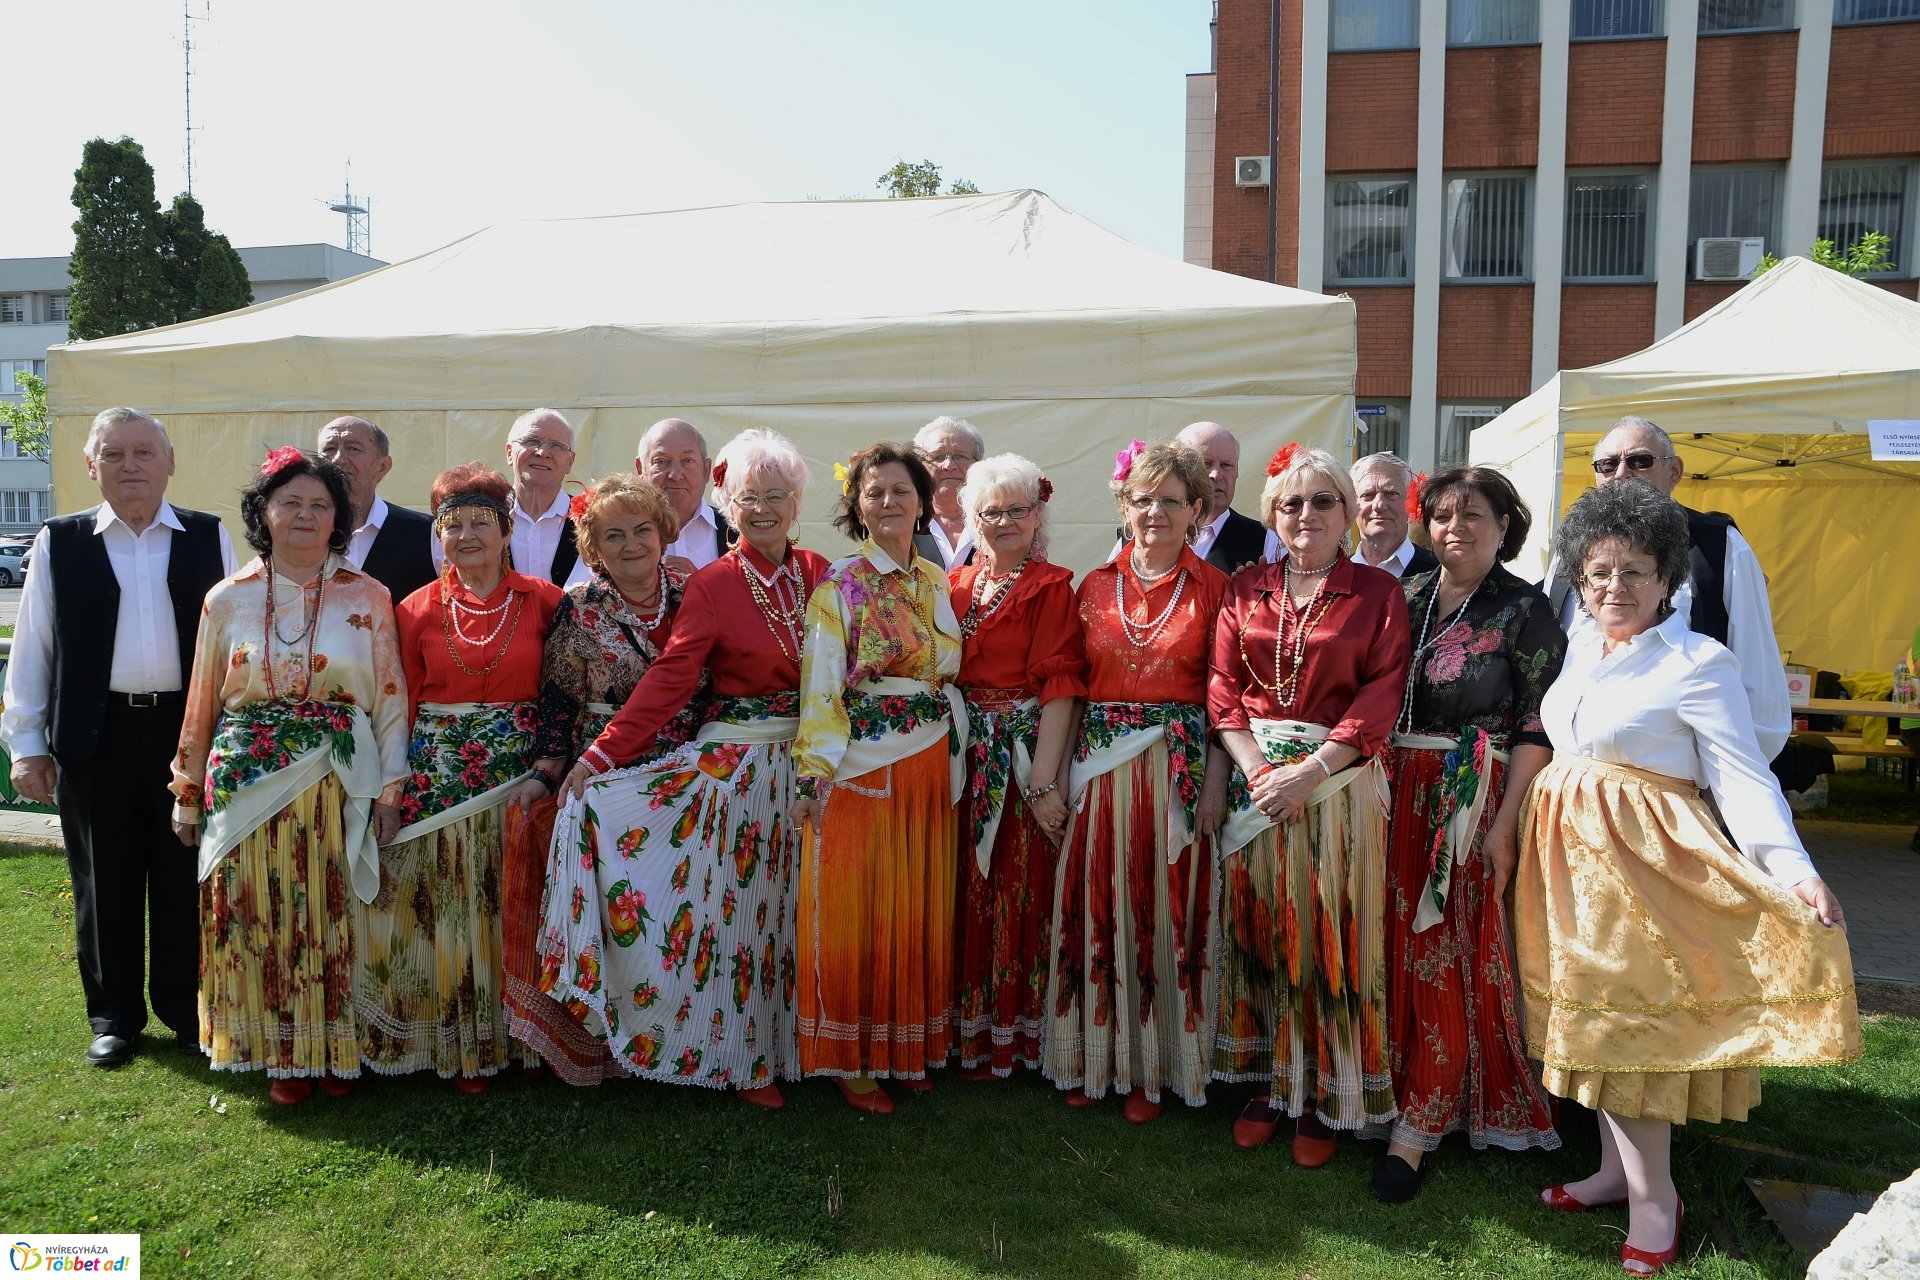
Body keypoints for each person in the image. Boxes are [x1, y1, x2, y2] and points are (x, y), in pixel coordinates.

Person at [1518, 479, 1858, 1276]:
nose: (1614, 587)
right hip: (1566, 869)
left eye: (1634, 571)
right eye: (1598, 572)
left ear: (1669, 577)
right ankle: (1614, 1174)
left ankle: (1655, 1203)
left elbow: (1743, 777)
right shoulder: (1583, 646)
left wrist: (1794, 869)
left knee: (1630, 1032)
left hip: (1645, 873)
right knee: (1591, 1028)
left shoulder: (1700, 661)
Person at [546, 430, 826, 1107]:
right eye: (748, 498)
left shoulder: (821, 573)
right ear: (727, 505)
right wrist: (599, 755)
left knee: (797, 913)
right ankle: (741, 1060)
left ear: (797, 503)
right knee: (740, 917)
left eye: (776, 496)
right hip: (741, 766)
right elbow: (672, 677)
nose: (763, 509)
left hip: (813, 763)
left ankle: (806, 1048)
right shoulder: (713, 583)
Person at [168, 448, 409, 1104]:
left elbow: (390, 698)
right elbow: (202, 700)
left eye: (320, 504)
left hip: (336, 780)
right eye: (291, 502)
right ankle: (281, 1053)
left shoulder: (369, 595)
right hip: (245, 780)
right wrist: (187, 790)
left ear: (338, 518)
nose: (306, 514)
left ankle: (333, 1046)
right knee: (259, 913)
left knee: (332, 914)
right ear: (264, 512)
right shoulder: (227, 599)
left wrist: (391, 788)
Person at [3, 408, 235, 1067]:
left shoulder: (209, 536)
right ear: (91, 466)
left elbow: (233, 642)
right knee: (103, 881)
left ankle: (187, 1012)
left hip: (185, 735)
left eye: (143, 452)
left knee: (185, 877)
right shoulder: (61, 540)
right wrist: (26, 746)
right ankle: (114, 1017)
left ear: (170, 462)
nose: (129, 465)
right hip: (93, 736)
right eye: (113, 454)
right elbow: (34, 649)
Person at [1369, 466, 1564, 1204]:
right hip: (1392, 792)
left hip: (1469, 798)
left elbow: (1537, 726)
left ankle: (1419, 1125)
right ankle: (1384, 1089)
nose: (1456, 528)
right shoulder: (1407, 594)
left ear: (1504, 526)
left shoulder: (1524, 608)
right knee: (1391, 945)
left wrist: (1504, 824)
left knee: (1444, 951)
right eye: (1443, 515)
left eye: (1474, 514)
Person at [1209, 444, 1409, 1164]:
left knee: (1328, 935)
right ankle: (1270, 1081)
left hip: (1336, 783)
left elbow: (1382, 692)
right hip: (1258, 784)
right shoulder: (1245, 588)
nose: (1307, 514)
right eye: (1291, 503)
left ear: (1348, 512)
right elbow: (1222, 689)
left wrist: (1309, 773)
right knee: (1260, 928)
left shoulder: (1377, 593)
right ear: (1271, 515)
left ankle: (1325, 1092)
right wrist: (1260, 771)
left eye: (1324, 500)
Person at [356, 464, 566, 1092]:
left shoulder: (546, 601)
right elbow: (398, 704)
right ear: (439, 535)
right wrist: (392, 789)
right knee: (449, 908)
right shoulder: (414, 608)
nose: (467, 535)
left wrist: (551, 769)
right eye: (453, 525)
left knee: (514, 905)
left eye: (482, 522)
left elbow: (563, 695)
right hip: (440, 780)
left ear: (506, 531)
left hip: (522, 780)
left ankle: (523, 1041)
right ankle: (458, 1039)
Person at [1043, 439, 1230, 1123]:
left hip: (1177, 772)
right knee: (1098, 904)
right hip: (1101, 773)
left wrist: (1216, 780)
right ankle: (1092, 1055)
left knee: (1164, 909)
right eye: (1143, 499)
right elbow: (1070, 684)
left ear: (1197, 510)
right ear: (1124, 505)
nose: (1156, 512)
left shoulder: (1217, 589)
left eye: (1171, 501)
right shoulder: (1092, 586)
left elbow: (1227, 694)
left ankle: (1154, 1065)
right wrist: (1053, 778)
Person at [503, 474, 697, 1085]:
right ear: (593, 547)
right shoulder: (580, 607)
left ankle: (684, 1035)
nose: (632, 544)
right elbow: (559, 700)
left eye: (642, 530)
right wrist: (546, 772)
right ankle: (619, 1045)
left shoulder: (696, 594)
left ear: (663, 532)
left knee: (683, 911)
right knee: (624, 917)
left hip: (689, 776)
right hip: (609, 778)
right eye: (614, 535)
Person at [791, 442, 965, 1114]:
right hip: (864, 767)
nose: (888, 502)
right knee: (858, 912)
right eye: (875, 493)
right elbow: (821, 687)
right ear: (857, 508)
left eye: (901, 490)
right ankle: (850, 1056)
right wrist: (812, 777)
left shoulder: (935, 580)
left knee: (911, 909)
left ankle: (902, 1046)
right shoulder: (841, 586)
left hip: (927, 765)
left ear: (923, 503)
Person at [949, 455, 1087, 1080]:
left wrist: (1042, 782)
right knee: (968, 889)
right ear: (972, 519)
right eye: (991, 511)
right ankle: (968, 1032)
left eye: (1017, 510)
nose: (1004, 521)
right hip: (964, 754)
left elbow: (1061, 688)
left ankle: (1019, 1034)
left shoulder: (1051, 586)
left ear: (1037, 516)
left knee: (1018, 886)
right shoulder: (955, 584)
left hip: (1021, 753)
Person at [1548, 416, 1789, 760]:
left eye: (1639, 461)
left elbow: (1757, 669)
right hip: (1568, 765)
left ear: (1674, 471)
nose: (1621, 473)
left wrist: (1734, 770)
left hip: (1671, 771)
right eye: (1608, 464)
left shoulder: (1719, 546)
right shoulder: (1571, 544)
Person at [430, 409, 588, 589]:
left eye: (556, 446)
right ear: (509, 453)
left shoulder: (593, 521)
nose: (542, 452)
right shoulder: (462, 523)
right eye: (532, 441)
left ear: (570, 461)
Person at [317, 414, 436, 603]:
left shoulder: (428, 533)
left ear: (382, 466)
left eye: (353, 448)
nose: (338, 459)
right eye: (329, 449)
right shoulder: (300, 529)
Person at [636, 417, 736, 576]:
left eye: (688, 461)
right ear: (641, 469)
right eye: (661, 461)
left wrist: (703, 585)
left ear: (706, 470)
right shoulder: (616, 535)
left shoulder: (736, 533)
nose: (675, 475)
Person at [1347, 452, 1439, 579]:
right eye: (1367, 495)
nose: (1379, 505)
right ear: (1352, 504)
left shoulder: (1439, 573)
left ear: (1412, 500)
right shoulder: (1334, 575)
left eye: (1391, 494)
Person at [912, 416, 983, 571]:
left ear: (978, 465)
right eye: (938, 457)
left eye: (960, 456)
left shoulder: (996, 521)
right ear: (921, 467)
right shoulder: (905, 524)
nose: (949, 465)